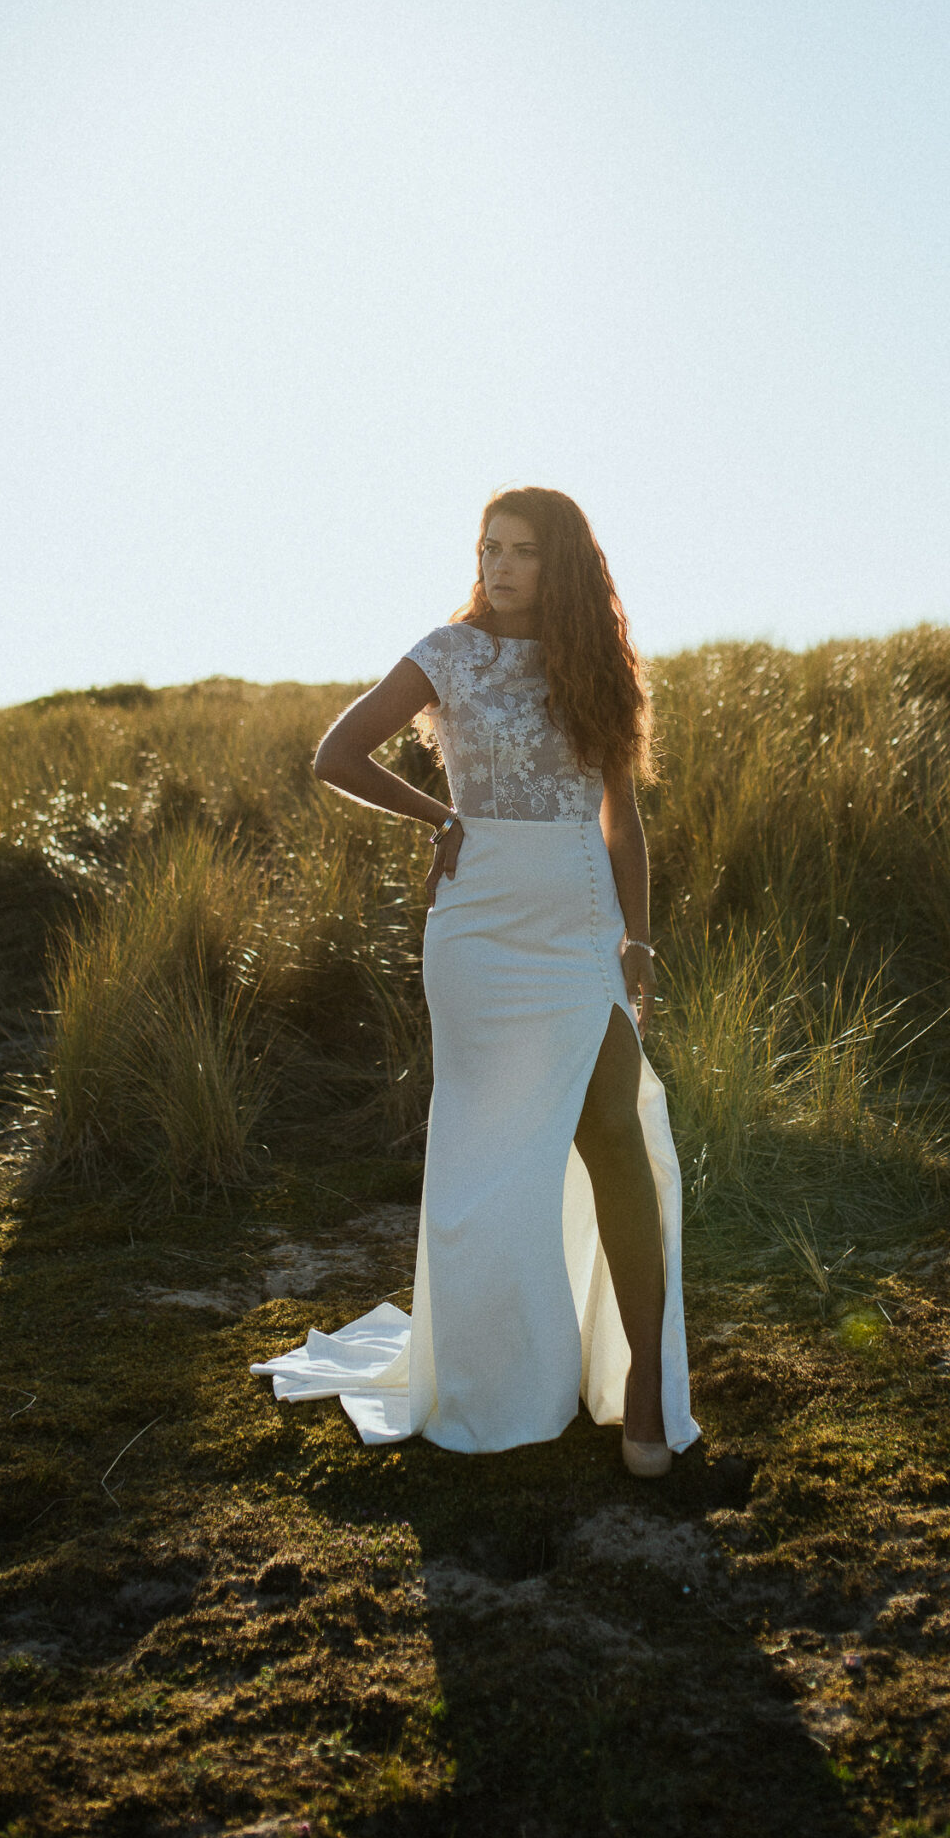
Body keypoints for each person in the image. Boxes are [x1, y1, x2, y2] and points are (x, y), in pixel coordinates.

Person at [253, 488, 698, 1476]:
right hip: (480, 934)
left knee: (619, 1138)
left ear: (561, 566)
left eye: (521, 551)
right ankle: (500, 1381)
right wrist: (440, 819)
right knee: (490, 1164)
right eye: (488, 547)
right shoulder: (446, 654)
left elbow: (622, 819)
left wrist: (637, 942)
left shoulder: (598, 671)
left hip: (579, 923)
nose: (498, 565)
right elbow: (338, 752)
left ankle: (641, 1395)